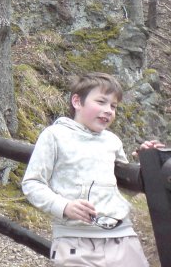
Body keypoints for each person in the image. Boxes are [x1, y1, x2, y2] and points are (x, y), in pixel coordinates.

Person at [22, 72, 164, 266]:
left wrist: (146, 162)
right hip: (74, 240)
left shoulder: (112, 141)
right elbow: (32, 183)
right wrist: (64, 206)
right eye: (101, 102)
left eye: (113, 106)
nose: (108, 110)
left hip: (122, 237)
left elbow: (126, 189)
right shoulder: (54, 136)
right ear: (77, 102)